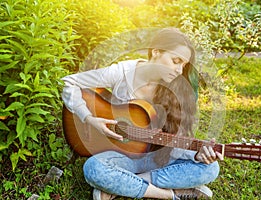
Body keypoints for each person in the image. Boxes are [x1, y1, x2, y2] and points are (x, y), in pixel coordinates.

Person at [62, 28, 223, 200]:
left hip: (158, 156)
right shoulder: (122, 72)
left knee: (210, 168)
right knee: (93, 168)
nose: (179, 70)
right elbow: (70, 82)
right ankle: (170, 195)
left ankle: (121, 186)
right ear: (156, 52)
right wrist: (89, 118)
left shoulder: (178, 89)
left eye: (183, 65)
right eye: (175, 61)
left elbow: (173, 142)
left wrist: (198, 154)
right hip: (121, 154)